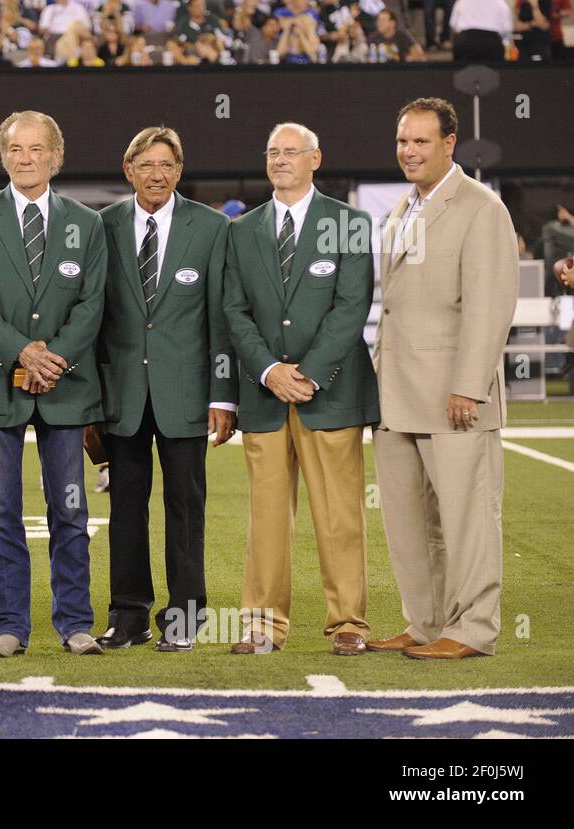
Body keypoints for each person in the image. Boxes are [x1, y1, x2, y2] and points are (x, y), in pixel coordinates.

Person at [0, 110, 107, 657]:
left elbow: (93, 305)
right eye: (15, 149)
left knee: (70, 509)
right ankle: (9, 625)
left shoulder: (88, 224)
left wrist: (52, 358)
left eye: (36, 149)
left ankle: (75, 622)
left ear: (55, 157)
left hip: (64, 387)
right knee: (0, 511)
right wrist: (21, 351)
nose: (25, 158)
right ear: (3, 156)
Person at [222, 122, 380, 656]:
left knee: (339, 515)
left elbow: (351, 308)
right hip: (264, 394)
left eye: (292, 152)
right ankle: (261, 626)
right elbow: (233, 311)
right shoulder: (240, 230)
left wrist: (308, 373)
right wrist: (269, 370)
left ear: (317, 158)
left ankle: (349, 624)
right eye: (273, 152)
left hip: (330, 393)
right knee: (265, 519)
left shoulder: (350, 223)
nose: (280, 159)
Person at [369, 97, 519, 659]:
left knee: (468, 519)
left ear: (449, 143)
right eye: (403, 141)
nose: (409, 151)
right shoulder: (401, 207)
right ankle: (426, 622)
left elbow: (490, 304)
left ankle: (473, 629)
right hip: (395, 393)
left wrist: (469, 386)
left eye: (421, 141)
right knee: (409, 522)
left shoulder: (481, 207)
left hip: (454, 394)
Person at [95, 127, 236, 653]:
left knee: (185, 506)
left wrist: (222, 393)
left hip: (187, 393)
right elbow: (93, 314)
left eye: (166, 165)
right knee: (126, 508)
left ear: (179, 171)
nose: (156, 174)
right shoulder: (100, 225)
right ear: (128, 169)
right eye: (145, 164)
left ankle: (185, 616)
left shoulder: (212, 227)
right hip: (122, 393)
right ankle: (127, 615)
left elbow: (222, 315)